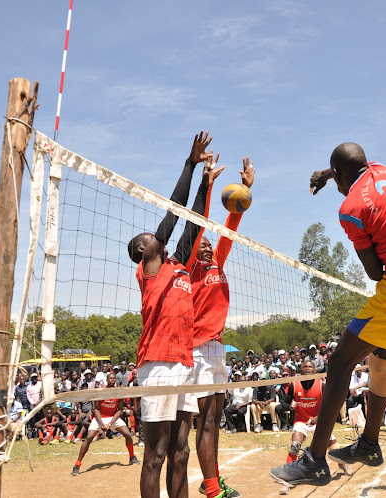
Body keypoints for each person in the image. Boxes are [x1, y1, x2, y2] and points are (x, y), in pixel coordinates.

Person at [270, 143, 386, 487]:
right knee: (381, 361)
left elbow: (375, 272)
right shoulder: (384, 171)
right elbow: (354, 168)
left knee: (338, 364)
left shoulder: (351, 209)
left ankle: (315, 461)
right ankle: (368, 444)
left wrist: (331, 177)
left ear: (339, 173)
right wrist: (327, 173)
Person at [127, 131, 222, 498]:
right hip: (157, 365)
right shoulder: (149, 270)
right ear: (142, 251)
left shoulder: (179, 265)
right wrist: (190, 163)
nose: (155, 237)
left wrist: (205, 184)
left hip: (183, 363)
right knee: (156, 454)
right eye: (148, 238)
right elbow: (172, 215)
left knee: (181, 452)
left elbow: (192, 223)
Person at [281, 360, 352, 477]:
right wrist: (290, 406)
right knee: (294, 446)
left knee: (332, 445)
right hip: (301, 422)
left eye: (310, 367)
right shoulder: (294, 385)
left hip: (319, 421)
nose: (307, 368)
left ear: (315, 370)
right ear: (301, 370)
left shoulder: (321, 385)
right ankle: (288, 473)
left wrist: (317, 418)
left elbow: (330, 407)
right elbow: (283, 405)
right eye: (305, 367)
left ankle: (342, 464)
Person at [71, 373, 139, 476]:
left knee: (128, 435)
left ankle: (132, 457)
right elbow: (96, 409)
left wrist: (110, 423)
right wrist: (102, 423)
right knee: (89, 438)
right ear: (107, 380)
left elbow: (119, 410)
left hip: (113, 418)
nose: (113, 380)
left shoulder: (118, 392)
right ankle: (77, 464)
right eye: (110, 378)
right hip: (100, 417)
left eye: (114, 378)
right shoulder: (101, 392)